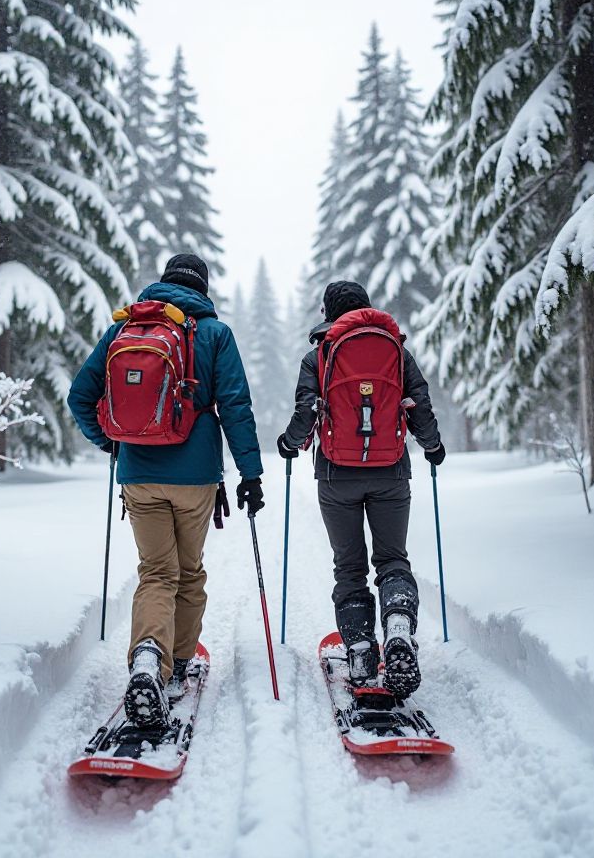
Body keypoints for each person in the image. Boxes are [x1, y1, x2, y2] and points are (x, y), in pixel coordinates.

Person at [68, 253, 264, 728]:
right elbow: (235, 405)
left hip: (138, 471)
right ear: (202, 287)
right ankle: (172, 669)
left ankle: (145, 660)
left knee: (156, 572)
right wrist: (250, 474)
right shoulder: (215, 334)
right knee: (188, 571)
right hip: (195, 476)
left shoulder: (124, 331)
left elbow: (80, 397)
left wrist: (114, 443)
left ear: (162, 284)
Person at [277, 280, 445, 697]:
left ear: (328, 316)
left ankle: (359, 651)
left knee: (349, 567)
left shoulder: (318, 355)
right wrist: (433, 445)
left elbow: (306, 411)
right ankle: (400, 627)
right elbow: (419, 404)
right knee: (392, 560)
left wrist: (288, 443)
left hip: (336, 475)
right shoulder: (396, 351)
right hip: (390, 471)